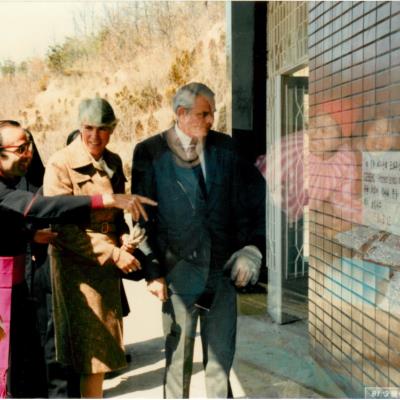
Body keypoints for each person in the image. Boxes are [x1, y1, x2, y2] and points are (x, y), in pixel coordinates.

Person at [0, 119, 155, 398]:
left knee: (28, 367)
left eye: (29, 146)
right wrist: (102, 201)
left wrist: (27, 235)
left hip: (18, 288)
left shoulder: (19, 177)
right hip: (5, 293)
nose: (29, 153)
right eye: (21, 148)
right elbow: (40, 206)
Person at [131, 82, 265, 398]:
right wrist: (153, 271)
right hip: (177, 277)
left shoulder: (226, 148)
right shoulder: (149, 152)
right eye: (204, 115)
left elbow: (255, 201)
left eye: (212, 114)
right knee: (177, 367)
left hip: (221, 275)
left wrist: (252, 248)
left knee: (220, 365)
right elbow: (141, 217)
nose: (210, 121)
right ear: (181, 113)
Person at [43, 98, 149, 398]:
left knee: (101, 356)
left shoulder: (113, 161)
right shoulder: (60, 163)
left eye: (103, 129)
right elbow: (61, 226)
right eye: (88, 128)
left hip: (108, 266)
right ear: (79, 126)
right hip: (78, 268)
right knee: (88, 354)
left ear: (112, 130)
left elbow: (118, 212)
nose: (94, 136)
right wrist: (113, 253)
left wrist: (126, 238)